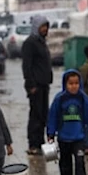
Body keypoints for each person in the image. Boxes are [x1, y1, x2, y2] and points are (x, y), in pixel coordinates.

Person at [47, 70, 88, 175]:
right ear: (65, 84)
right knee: (65, 164)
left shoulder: (83, 99)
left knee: (80, 163)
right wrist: (50, 134)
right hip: (63, 138)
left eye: (76, 83)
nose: (73, 86)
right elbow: (52, 117)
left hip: (79, 138)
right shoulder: (59, 99)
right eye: (70, 83)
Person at [22, 15, 53, 156]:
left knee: (43, 114)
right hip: (35, 85)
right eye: (42, 26)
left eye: (46, 26)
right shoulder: (30, 43)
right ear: (36, 27)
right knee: (35, 114)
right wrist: (30, 84)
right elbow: (26, 66)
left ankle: (40, 142)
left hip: (44, 84)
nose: (45, 29)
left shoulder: (42, 42)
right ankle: (33, 144)